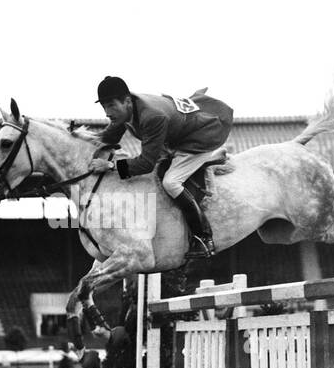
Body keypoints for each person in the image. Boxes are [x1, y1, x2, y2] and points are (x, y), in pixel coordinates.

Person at [87, 75, 233, 263]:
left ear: (127, 101)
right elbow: (107, 138)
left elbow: (146, 163)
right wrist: (76, 138)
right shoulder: (127, 111)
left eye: (111, 105)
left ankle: (203, 237)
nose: (107, 112)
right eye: (104, 106)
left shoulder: (151, 116)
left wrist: (109, 165)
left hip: (203, 134)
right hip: (180, 135)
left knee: (171, 182)